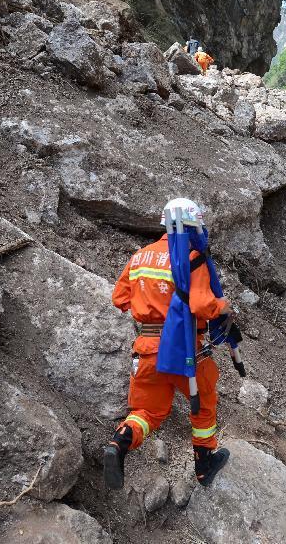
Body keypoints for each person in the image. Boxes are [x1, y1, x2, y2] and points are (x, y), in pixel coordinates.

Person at [105, 198, 231, 490]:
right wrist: (223, 308)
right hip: (184, 347)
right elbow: (201, 304)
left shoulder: (140, 256)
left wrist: (149, 304)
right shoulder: (190, 256)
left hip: (146, 348)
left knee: (147, 413)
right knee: (204, 401)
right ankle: (204, 464)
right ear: (193, 226)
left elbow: (119, 299)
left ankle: (120, 441)